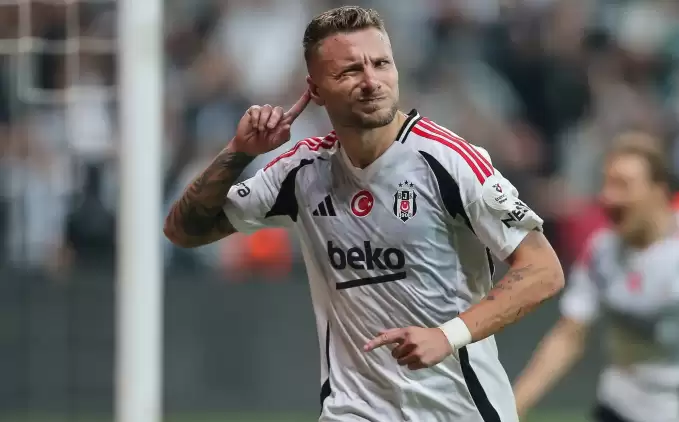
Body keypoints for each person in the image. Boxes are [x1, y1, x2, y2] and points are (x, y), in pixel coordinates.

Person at [163, 6, 564, 422]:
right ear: (315, 89)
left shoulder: (449, 162)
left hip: (459, 412)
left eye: (381, 64)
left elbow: (543, 270)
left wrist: (448, 335)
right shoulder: (302, 171)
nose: (372, 81)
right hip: (353, 411)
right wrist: (239, 152)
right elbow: (183, 230)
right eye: (350, 71)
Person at [512, 132, 679, 422]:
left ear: (659, 190)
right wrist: (514, 405)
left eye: (622, 185)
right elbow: (568, 336)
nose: (608, 196)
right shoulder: (601, 252)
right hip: (618, 404)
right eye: (606, 184)